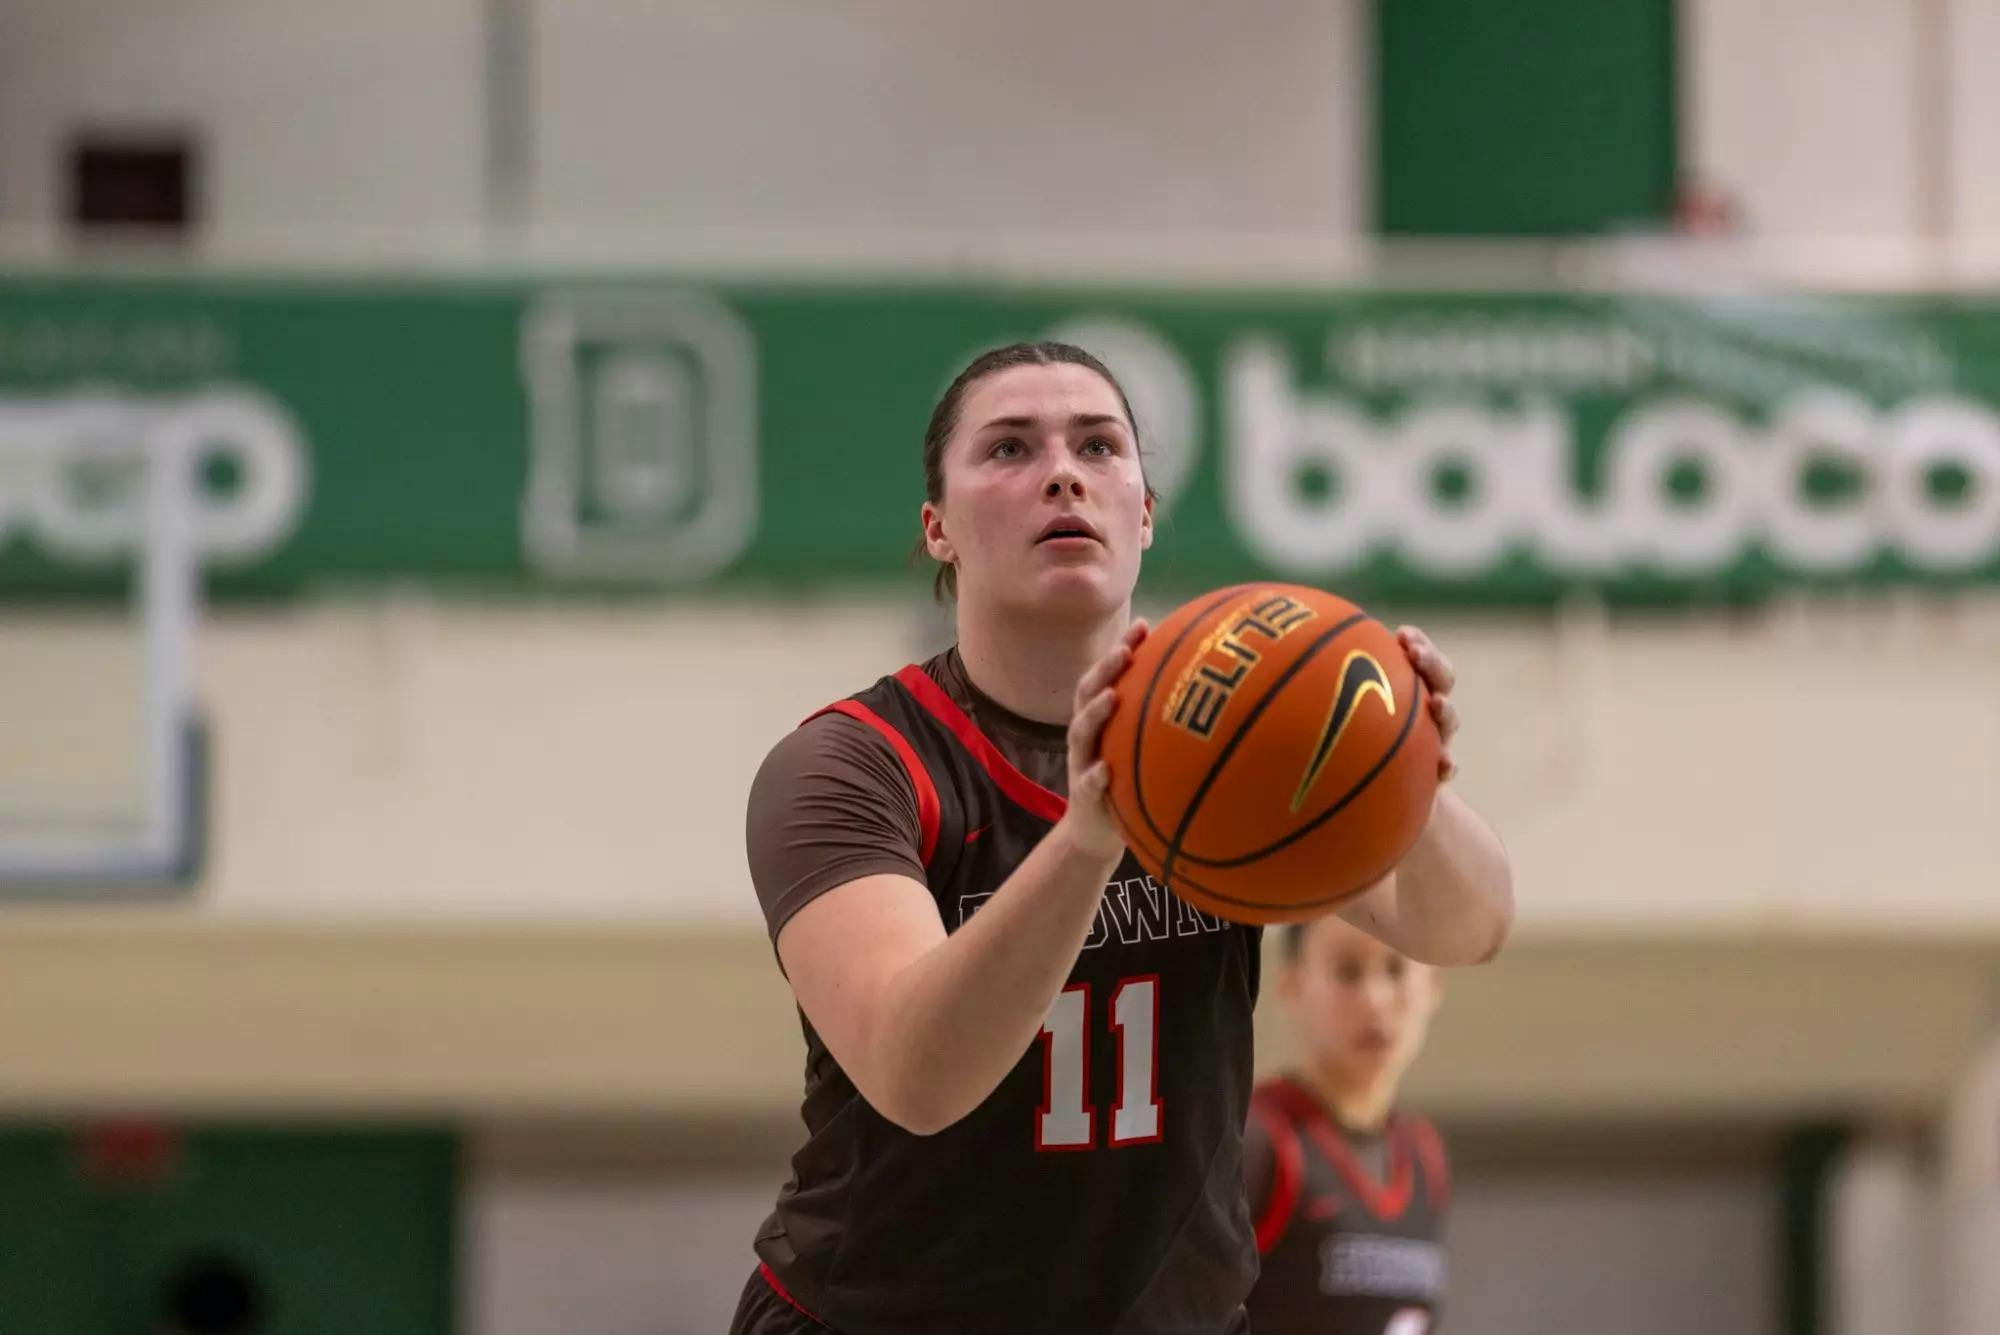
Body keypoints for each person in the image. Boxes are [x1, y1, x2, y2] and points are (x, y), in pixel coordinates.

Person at [733, 341, 1513, 1335]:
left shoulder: (1229, 733)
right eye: (1008, 448)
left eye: (1098, 447)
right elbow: (914, 1077)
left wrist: (1409, 779)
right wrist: (1086, 834)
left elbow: (1469, 923)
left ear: (1142, 512)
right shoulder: (853, 766)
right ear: (938, 529)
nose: (1062, 471)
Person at [1244, 917, 1450, 1335]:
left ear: (1433, 987)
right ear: (1293, 987)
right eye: (1347, 972)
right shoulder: (1259, 1138)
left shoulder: (1425, 1153)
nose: (1375, 999)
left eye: (1396, 969)